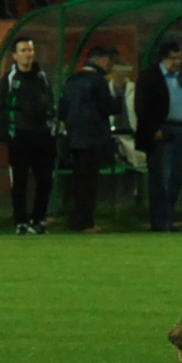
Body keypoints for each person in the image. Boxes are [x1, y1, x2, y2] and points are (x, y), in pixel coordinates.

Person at [134, 39, 182, 232]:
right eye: (173, 58)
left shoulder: (179, 78)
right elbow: (141, 106)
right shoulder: (149, 76)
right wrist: (154, 129)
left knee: (176, 178)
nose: (177, 62)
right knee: (161, 178)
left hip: (180, 130)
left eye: (179, 58)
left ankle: (168, 218)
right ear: (163, 58)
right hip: (162, 131)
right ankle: (160, 222)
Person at [0, 36, 58, 233]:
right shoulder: (9, 80)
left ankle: (38, 220)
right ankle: (21, 222)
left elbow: (50, 102)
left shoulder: (42, 77)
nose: (28, 54)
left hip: (43, 136)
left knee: (45, 179)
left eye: (30, 50)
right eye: (23, 51)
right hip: (19, 137)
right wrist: (5, 132)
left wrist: (52, 126)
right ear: (15, 56)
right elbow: (0, 107)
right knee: (20, 181)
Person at [60, 44, 118, 233]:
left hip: (74, 138)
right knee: (89, 183)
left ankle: (75, 220)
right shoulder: (98, 81)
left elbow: (63, 108)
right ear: (100, 60)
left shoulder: (73, 80)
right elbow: (106, 107)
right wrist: (117, 103)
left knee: (78, 181)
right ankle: (85, 222)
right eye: (108, 61)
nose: (109, 65)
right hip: (93, 138)